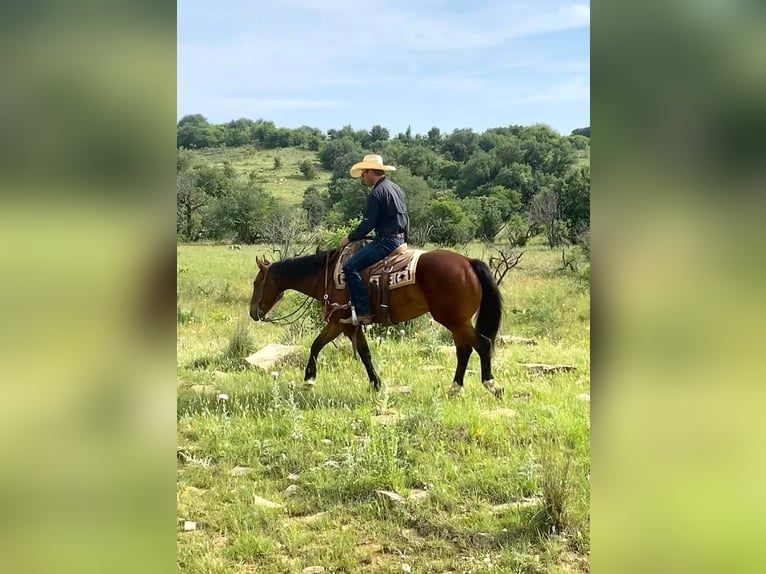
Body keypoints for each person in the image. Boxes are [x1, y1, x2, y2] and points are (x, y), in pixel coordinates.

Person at [339, 154, 408, 325]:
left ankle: (363, 312)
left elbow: (368, 224)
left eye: (363, 173)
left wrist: (349, 237)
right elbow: (405, 218)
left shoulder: (377, 193)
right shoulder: (396, 188)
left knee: (350, 266)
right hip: (400, 239)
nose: (362, 177)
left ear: (370, 172)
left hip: (386, 241)